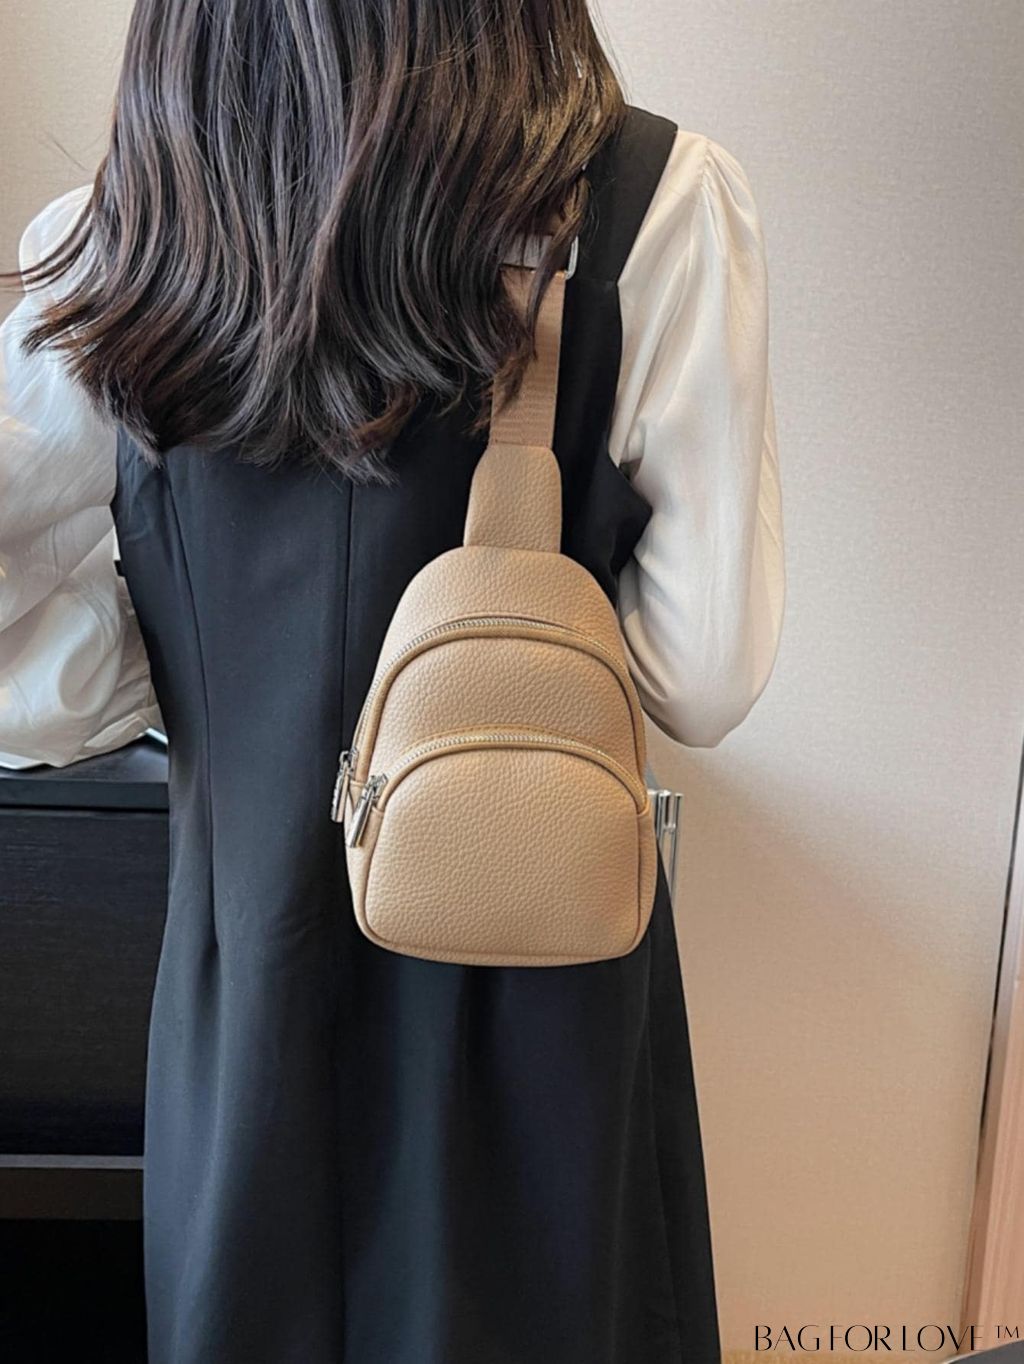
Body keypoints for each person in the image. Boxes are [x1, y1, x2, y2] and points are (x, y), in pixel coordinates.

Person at [0, 1, 785, 1360]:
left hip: (252, 987)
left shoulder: (122, 237)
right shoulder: (656, 205)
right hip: (546, 975)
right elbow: (699, 676)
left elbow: (31, 669)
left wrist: (200, 664)